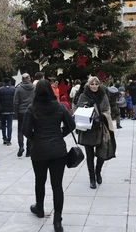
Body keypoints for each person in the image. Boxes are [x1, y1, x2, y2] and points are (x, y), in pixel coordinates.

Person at [23, 79, 75, 232]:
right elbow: (71, 125)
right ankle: (57, 221)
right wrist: (59, 134)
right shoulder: (59, 107)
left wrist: (36, 138)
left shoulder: (32, 108)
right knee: (57, 185)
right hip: (58, 151)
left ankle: (39, 208)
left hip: (39, 150)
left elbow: (25, 130)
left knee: (40, 181)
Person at [77, 77, 111, 189]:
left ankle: (98, 172)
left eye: (97, 84)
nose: (95, 86)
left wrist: (102, 116)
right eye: (92, 84)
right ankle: (92, 177)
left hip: (100, 128)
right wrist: (88, 106)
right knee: (90, 155)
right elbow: (79, 108)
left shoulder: (103, 95)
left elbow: (107, 109)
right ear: (88, 85)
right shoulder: (83, 96)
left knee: (101, 154)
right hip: (88, 129)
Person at [13, 73, 35, 157]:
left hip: (21, 111)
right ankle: (29, 150)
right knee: (30, 129)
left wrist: (16, 112)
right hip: (31, 111)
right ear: (29, 79)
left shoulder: (18, 89)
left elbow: (15, 102)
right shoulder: (34, 88)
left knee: (20, 130)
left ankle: (21, 146)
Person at [0, 78, 15, 147]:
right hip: (11, 110)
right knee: (9, 125)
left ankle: (4, 138)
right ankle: (9, 139)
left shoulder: (0, 90)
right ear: (9, 82)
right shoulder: (13, 89)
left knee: (3, 125)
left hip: (2, 110)